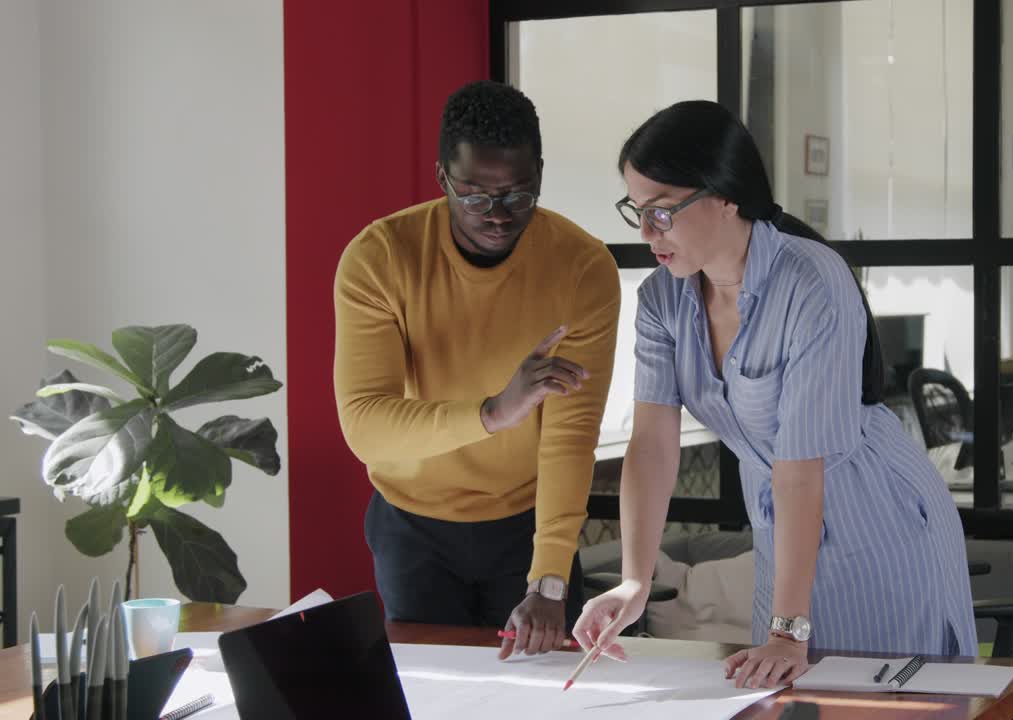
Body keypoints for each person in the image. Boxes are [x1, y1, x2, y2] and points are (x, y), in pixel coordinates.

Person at [571, 100, 977, 689]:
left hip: (876, 520)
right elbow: (653, 445)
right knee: (784, 696)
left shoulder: (811, 280)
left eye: (661, 212)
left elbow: (800, 464)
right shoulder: (663, 300)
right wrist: (635, 580)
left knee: (885, 700)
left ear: (725, 196)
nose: (645, 232)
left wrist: (789, 630)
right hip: (782, 531)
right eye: (636, 211)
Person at [333, 80, 621, 660]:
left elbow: (570, 439)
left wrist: (549, 580)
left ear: (540, 173)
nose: (497, 215)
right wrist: (493, 413)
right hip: (412, 525)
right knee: (434, 692)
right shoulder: (381, 257)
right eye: (474, 195)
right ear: (442, 176)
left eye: (518, 195)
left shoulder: (582, 267)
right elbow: (365, 426)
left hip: (527, 523)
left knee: (540, 695)